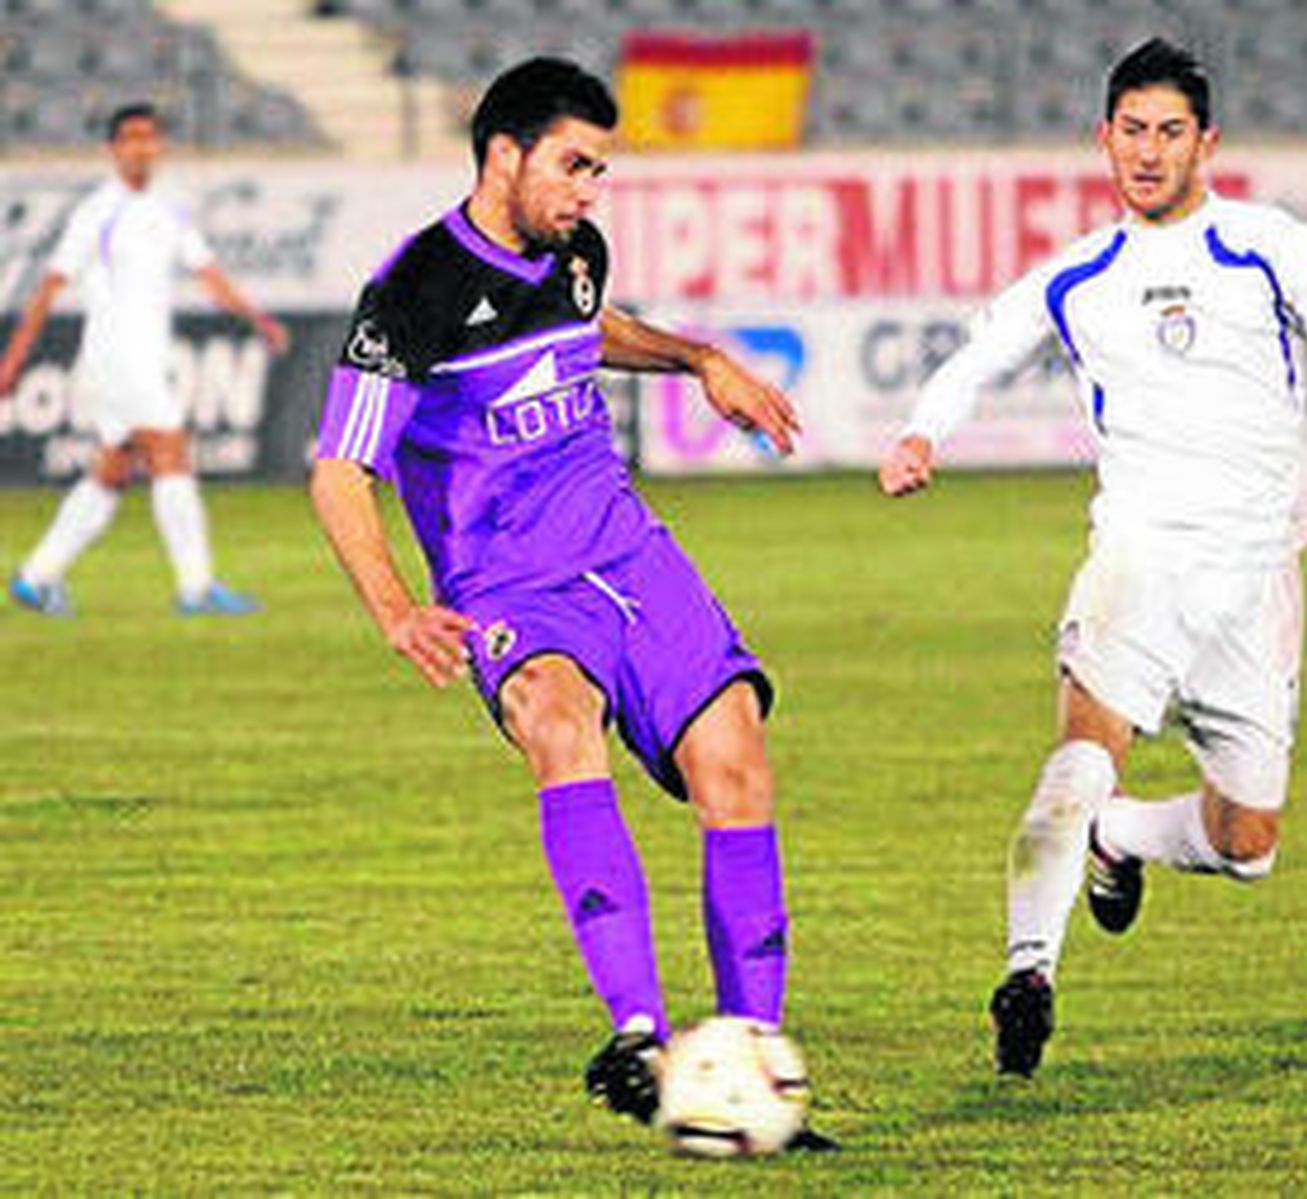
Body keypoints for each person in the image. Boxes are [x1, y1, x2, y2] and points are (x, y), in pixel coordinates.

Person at [879, 38, 1307, 1079]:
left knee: (1248, 841)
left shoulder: (1266, 246)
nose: (1148, 152)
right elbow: (978, 350)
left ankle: (1115, 838)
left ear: (1207, 143)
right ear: (1103, 139)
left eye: (1169, 132)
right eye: (1131, 131)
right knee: (1078, 751)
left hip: (1257, 574)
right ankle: (1029, 973)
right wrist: (924, 432)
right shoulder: (1080, 273)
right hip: (1138, 556)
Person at [308, 58, 834, 1148]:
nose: (591, 189)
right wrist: (396, 606)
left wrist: (695, 358)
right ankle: (637, 1037)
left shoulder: (575, 253)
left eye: (600, 167)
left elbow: (591, 330)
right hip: (509, 582)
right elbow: (339, 468)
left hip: (629, 554)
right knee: (558, 718)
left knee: (735, 759)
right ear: (505, 154)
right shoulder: (412, 295)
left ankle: (744, 1074)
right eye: (574, 164)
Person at [0, 102, 287, 617]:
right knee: (171, 450)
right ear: (113, 148)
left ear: (160, 146)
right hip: (114, 357)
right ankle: (197, 588)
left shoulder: (170, 208)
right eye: (130, 137)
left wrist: (257, 318)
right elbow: (49, 285)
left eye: (149, 137)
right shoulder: (96, 211)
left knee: (111, 471)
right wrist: (12, 361)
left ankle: (36, 578)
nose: (141, 146)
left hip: (142, 359)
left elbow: (209, 274)